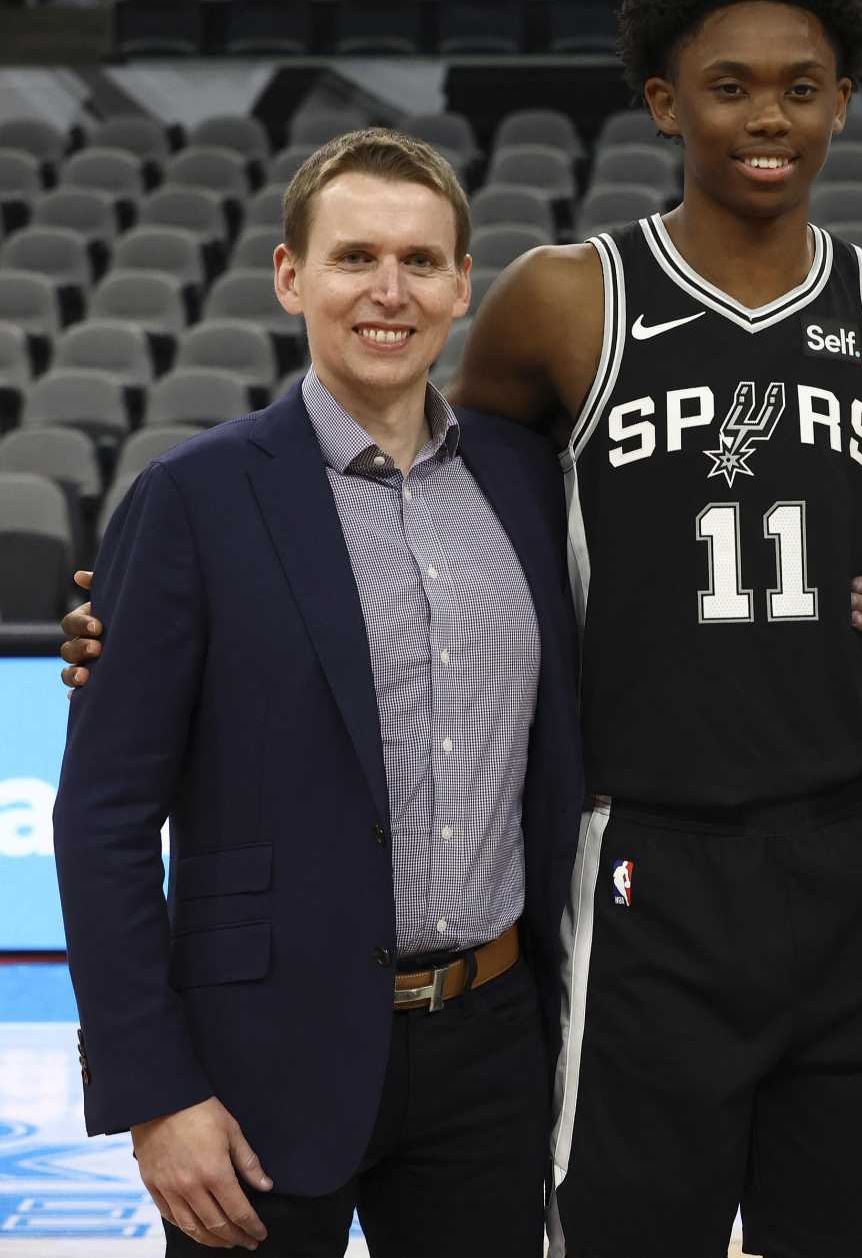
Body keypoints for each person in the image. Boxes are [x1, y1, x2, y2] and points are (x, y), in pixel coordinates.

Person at [444, 0, 862, 1256]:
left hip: (857, 849)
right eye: (728, 86)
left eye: (801, 85)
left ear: (843, 101)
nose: (767, 116)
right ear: (665, 102)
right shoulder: (566, 301)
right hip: (645, 855)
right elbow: (429, 496)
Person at [52, 129, 584, 1256]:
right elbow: (100, 819)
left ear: (460, 287)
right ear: (293, 277)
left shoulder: (529, 481)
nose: (388, 292)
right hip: (255, 1059)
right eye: (354, 258)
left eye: (420, 261)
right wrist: (155, 1091)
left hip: (489, 1046)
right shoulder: (191, 497)